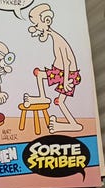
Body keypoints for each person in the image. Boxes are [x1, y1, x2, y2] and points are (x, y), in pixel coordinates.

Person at [23, 3, 82, 133]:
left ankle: (73, 125)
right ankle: (42, 97)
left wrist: (65, 82)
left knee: (60, 102)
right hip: (59, 72)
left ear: (47, 21)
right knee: (39, 74)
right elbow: (43, 35)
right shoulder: (51, 35)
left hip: (68, 75)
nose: (36, 27)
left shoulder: (59, 40)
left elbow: (67, 62)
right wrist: (36, 30)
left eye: (37, 24)